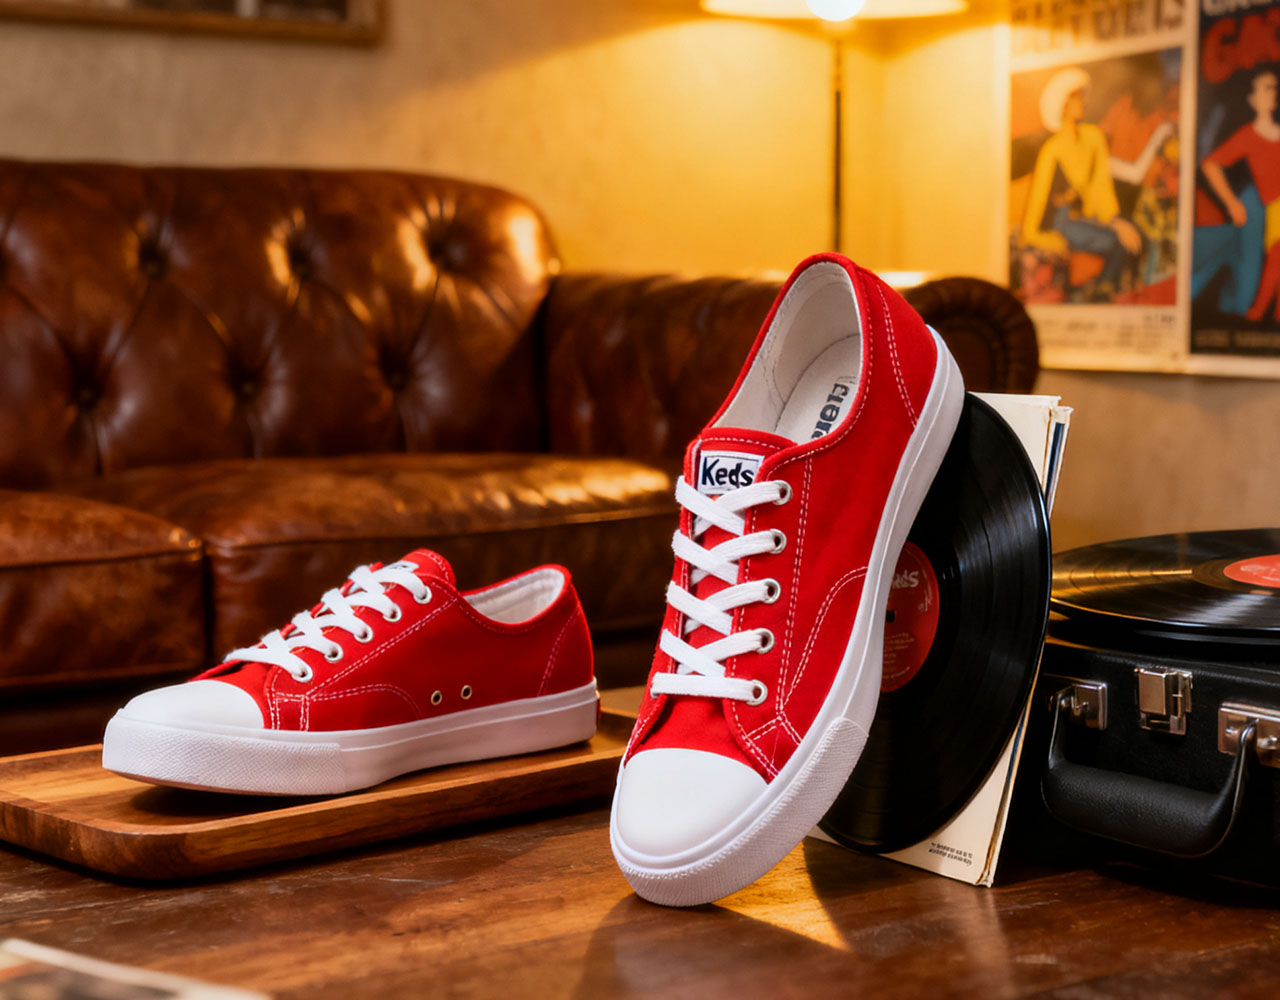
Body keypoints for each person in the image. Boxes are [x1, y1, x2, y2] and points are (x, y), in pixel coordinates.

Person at [1021, 66, 1147, 295]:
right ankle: (1098, 293)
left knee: (1137, 238)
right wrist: (1039, 237)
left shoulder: (1093, 137)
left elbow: (1101, 187)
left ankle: (1100, 292)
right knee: (1116, 244)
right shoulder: (1052, 149)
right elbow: (1038, 200)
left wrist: (1115, 222)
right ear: (1063, 104)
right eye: (1077, 97)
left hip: (1088, 217)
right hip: (1062, 221)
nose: (1083, 102)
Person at [1200, 69, 1280, 320]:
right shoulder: (1248, 135)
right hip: (1275, 207)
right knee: (1276, 255)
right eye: (1267, 87)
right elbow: (1210, 164)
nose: (1274, 92)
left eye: (1275, 86)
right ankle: (1258, 310)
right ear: (1253, 100)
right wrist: (1231, 202)